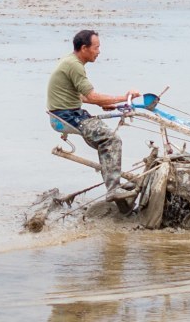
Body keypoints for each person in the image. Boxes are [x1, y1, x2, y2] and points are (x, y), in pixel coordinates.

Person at [46, 29, 137, 200]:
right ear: (84, 48)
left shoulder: (70, 61)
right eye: (96, 47)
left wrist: (105, 103)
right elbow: (91, 95)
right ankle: (113, 189)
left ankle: (114, 184)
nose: (99, 51)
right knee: (111, 139)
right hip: (66, 116)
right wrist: (123, 98)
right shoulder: (74, 65)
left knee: (105, 141)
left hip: (71, 112)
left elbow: (77, 95)